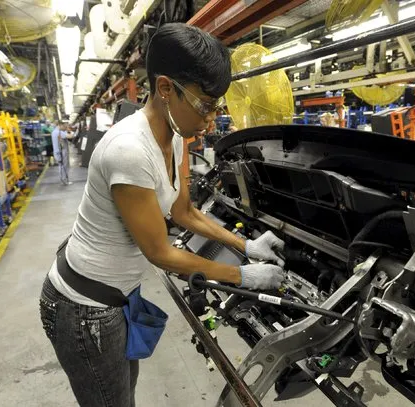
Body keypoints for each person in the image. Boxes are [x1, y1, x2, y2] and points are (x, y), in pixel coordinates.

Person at [38, 23, 285, 406]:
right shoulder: (129, 150)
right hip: (83, 309)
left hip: (117, 296)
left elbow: (183, 211)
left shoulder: (176, 139)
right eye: (205, 105)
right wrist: (244, 276)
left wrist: (246, 244)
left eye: (216, 107)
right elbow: (161, 254)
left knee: (123, 392)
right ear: (166, 88)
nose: (210, 120)